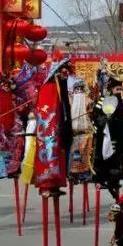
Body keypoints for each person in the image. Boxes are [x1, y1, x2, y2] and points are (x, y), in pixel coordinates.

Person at [34, 58, 73, 196]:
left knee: (58, 151)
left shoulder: (60, 87)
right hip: (49, 129)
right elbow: (44, 112)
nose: (66, 74)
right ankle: (46, 184)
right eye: (63, 70)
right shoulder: (48, 87)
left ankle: (56, 183)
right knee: (49, 150)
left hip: (58, 129)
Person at [91, 76, 123, 198]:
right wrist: (105, 120)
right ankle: (101, 179)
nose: (119, 91)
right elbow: (95, 117)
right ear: (111, 89)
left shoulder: (120, 103)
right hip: (105, 136)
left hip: (118, 136)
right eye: (117, 89)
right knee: (104, 159)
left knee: (117, 160)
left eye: (121, 89)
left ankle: (115, 181)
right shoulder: (103, 100)